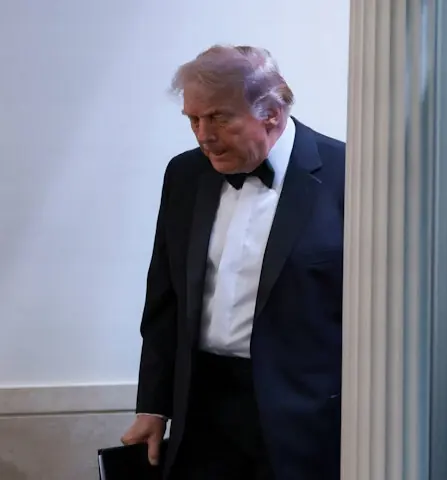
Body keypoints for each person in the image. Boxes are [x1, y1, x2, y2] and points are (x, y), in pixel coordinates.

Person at [120, 45, 345, 480]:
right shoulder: (185, 175)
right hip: (202, 411)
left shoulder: (349, 174)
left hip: (304, 421)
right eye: (193, 119)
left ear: (272, 114)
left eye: (220, 118)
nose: (203, 135)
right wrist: (153, 405)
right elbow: (165, 299)